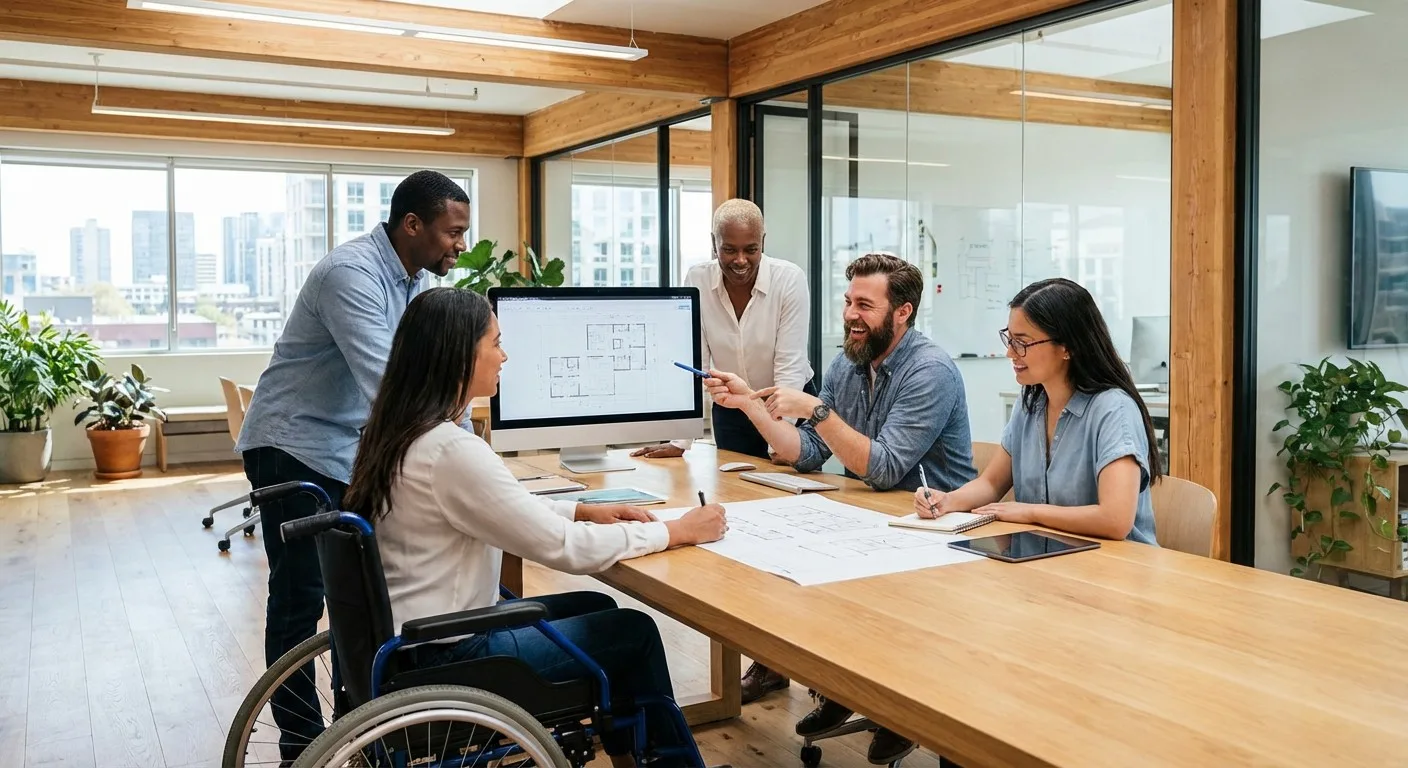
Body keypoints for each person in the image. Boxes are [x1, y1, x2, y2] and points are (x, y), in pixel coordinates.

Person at [343, 287, 728, 768]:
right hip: (452, 656)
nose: (505, 356)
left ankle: (639, 757)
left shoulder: (400, 434)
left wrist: (583, 510)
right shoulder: (449, 450)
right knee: (634, 631)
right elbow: (564, 550)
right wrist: (677, 532)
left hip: (407, 645)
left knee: (597, 605)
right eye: (496, 343)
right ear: (461, 356)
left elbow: (501, 508)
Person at [235, 170, 471, 761]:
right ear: (412, 224)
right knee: (301, 597)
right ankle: (301, 745)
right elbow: (390, 388)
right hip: (294, 445)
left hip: (349, 451)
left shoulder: (416, 284)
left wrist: (474, 458)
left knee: (361, 597)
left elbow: (439, 386)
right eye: (452, 232)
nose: (460, 246)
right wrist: (461, 455)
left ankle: (357, 729)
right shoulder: (352, 274)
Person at [705, 252, 976, 765]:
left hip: (935, 535)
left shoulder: (930, 370)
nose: (850, 314)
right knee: (792, 571)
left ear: (903, 312)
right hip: (872, 519)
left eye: (865, 305)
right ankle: (845, 693)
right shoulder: (847, 363)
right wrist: (749, 405)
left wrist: (816, 409)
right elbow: (805, 452)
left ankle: (899, 709)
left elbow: (885, 468)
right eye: (848, 301)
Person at [912, 277, 1161, 545]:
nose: (1010, 352)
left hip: (1116, 569)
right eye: (1009, 338)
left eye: (1022, 342)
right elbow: (992, 484)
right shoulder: (1031, 402)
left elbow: (1114, 520)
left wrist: (1030, 512)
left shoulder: (1114, 410)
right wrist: (947, 501)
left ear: (1067, 347)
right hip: (1050, 561)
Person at [631, 198, 813, 462]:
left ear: (763, 241)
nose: (740, 260)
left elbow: (790, 365)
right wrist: (679, 440)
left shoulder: (789, 279)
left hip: (788, 404)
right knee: (736, 490)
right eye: (729, 250)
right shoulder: (698, 279)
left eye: (751, 249)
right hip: (732, 410)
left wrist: (780, 440)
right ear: (713, 243)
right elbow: (695, 362)